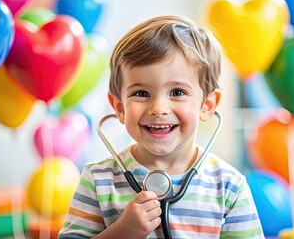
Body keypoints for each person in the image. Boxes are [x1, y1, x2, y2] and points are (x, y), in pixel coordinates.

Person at [58, 15, 264, 239]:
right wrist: (120, 232)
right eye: (141, 93)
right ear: (119, 107)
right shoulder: (98, 179)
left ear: (207, 105)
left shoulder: (229, 187)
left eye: (177, 92)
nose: (158, 108)